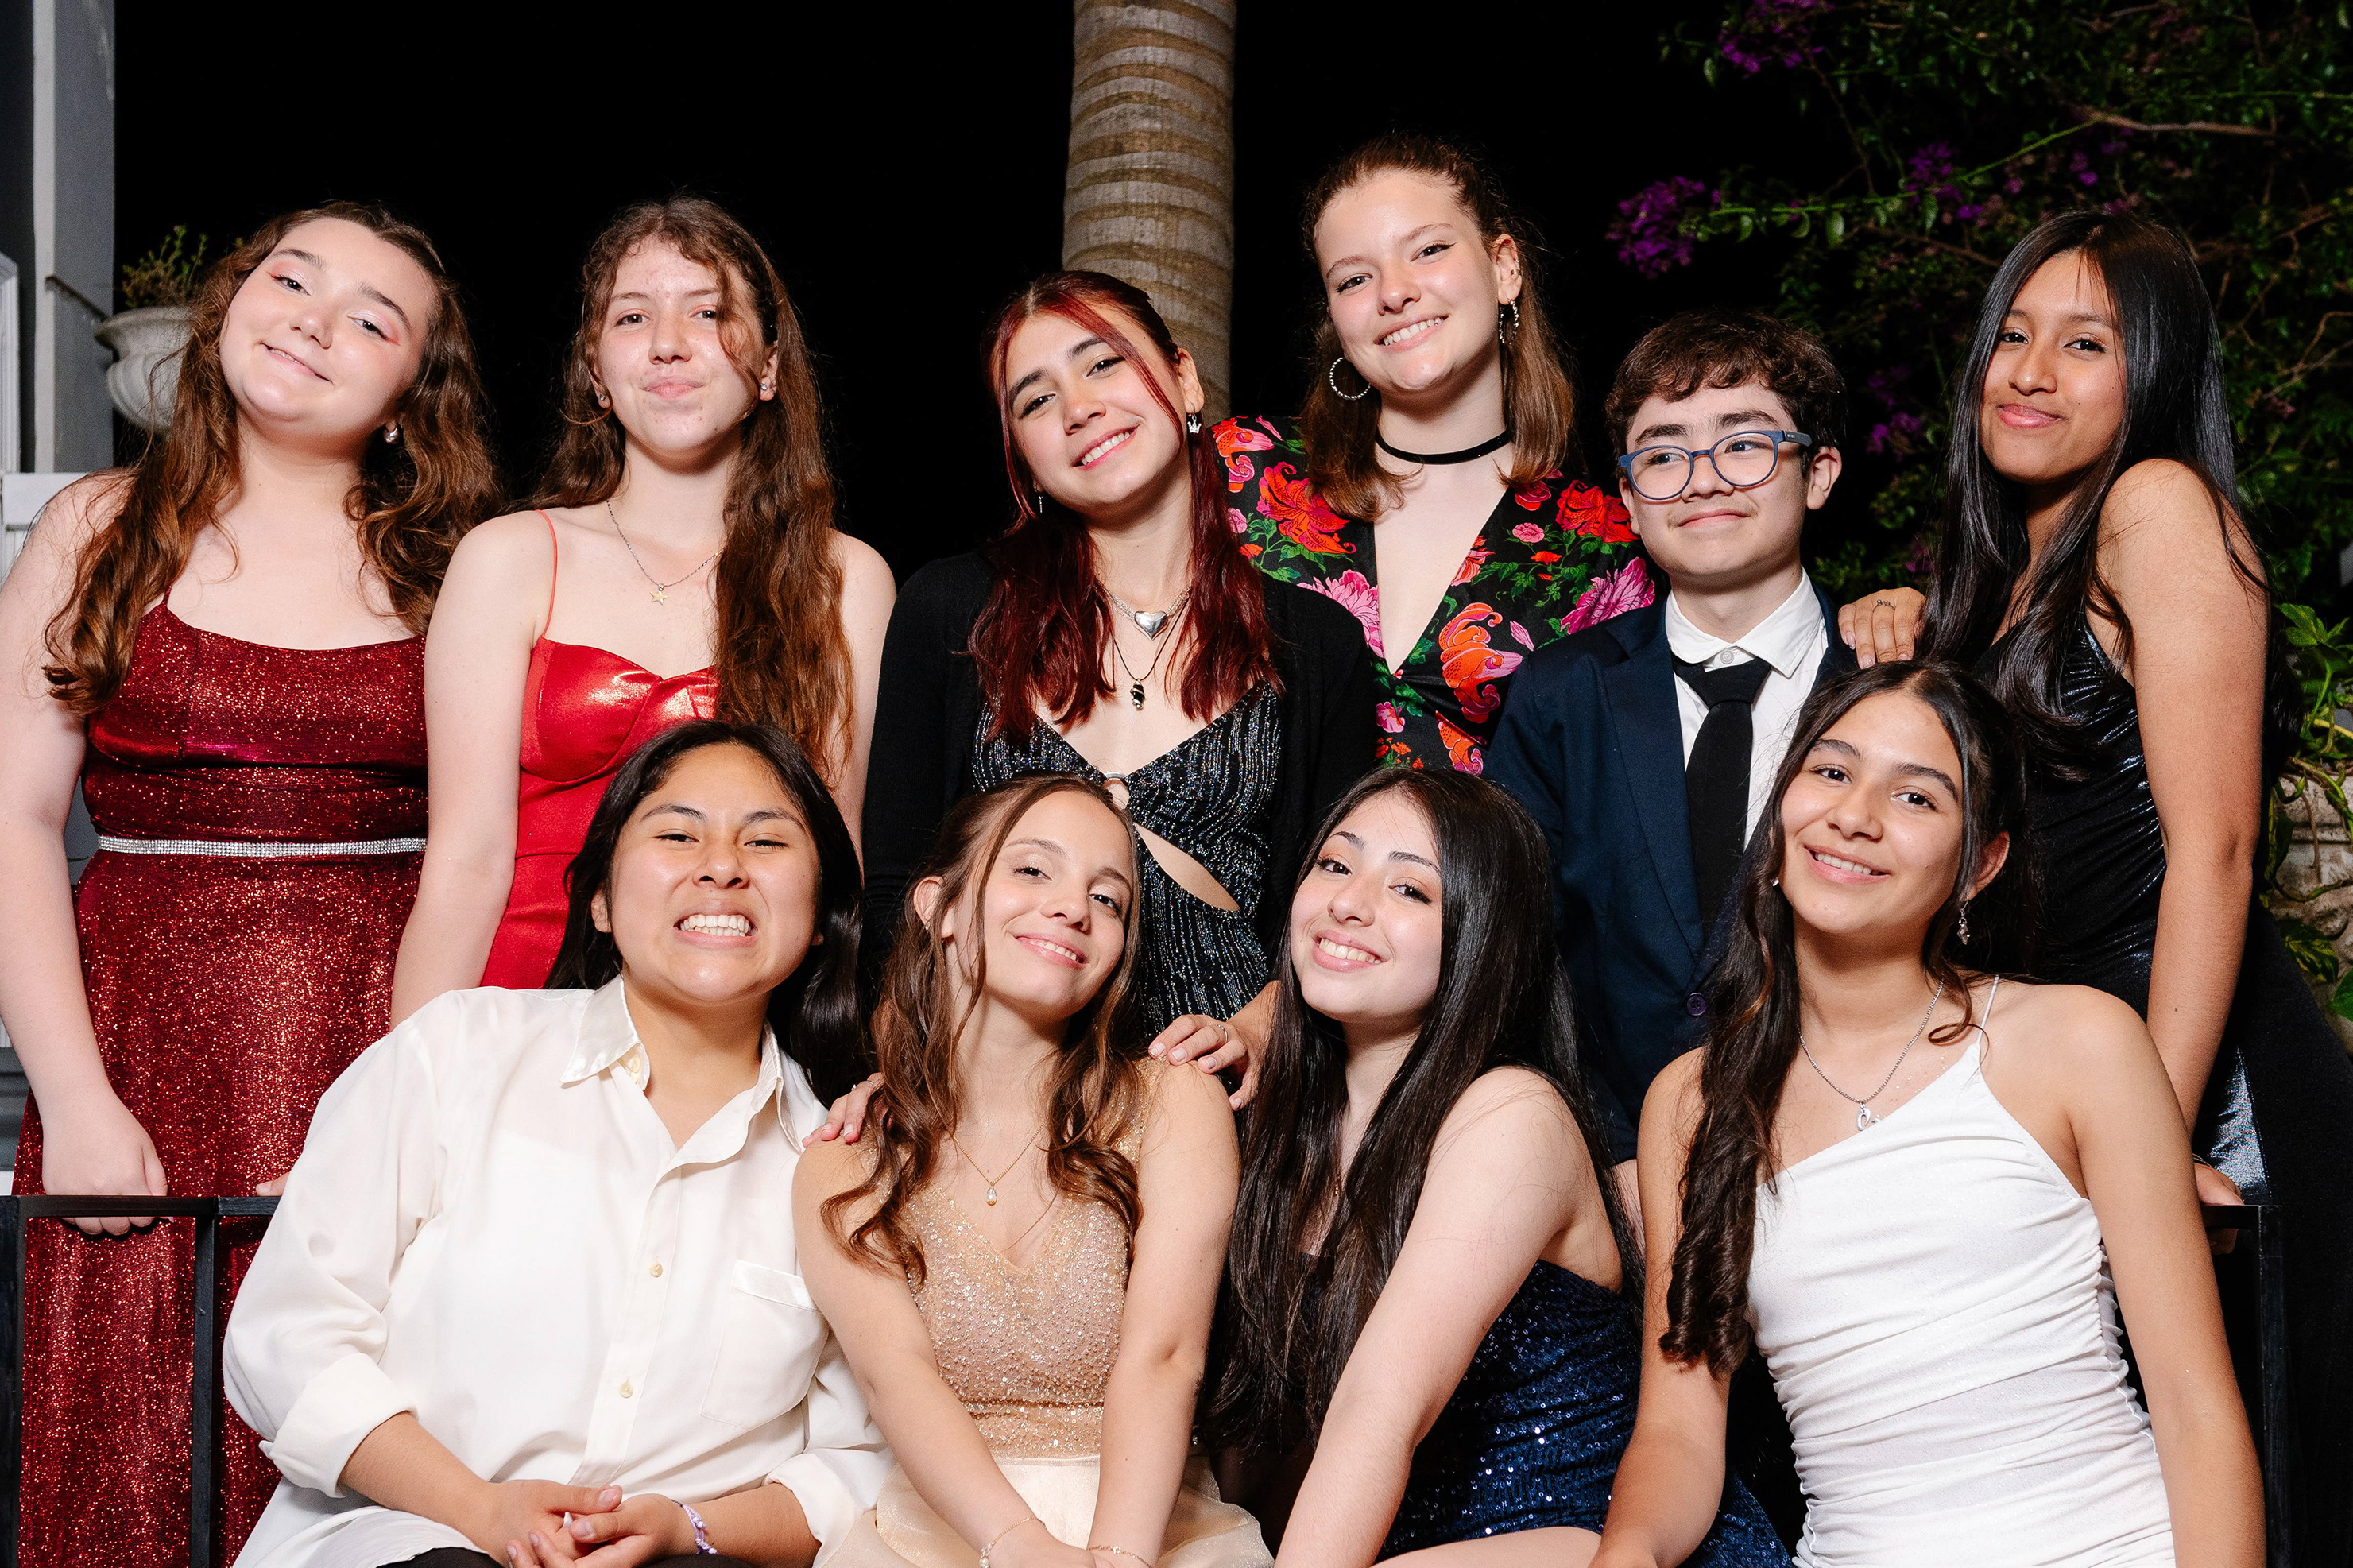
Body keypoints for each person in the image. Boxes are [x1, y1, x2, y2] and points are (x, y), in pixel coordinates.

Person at [0, 203, 501, 1568]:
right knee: (117, 1505)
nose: (316, 323)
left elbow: (482, 858)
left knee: (341, 1492)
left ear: (417, 387)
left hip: (369, 1068)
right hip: (135, 1076)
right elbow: (9, 815)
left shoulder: (458, 569)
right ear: (229, 306)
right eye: (289, 280)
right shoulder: (100, 528)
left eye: (375, 316)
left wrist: (397, 1139)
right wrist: (79, 1101)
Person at [1569, 661, 2270, 1568]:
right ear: (1782, 807)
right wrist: (1625, 1558)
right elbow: (1679, 1425)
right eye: (1830, 771)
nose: (1855, 813)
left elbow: (2199, 1413)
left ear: (1979, 861)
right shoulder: (1693, 1104)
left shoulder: (2073, 1041)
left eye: (1916, 794)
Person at [1919, 209, 2353, 1568]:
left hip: (2206, 1087)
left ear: (2155, 376)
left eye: (2086, 342)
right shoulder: (2004, 570)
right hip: (2097, 1085)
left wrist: (2139, 1126)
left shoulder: (2157, 511)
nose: (2032, 371)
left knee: (2245, 1563)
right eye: (2014, 334)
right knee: (2134, 1550)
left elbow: (2210, 852)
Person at [219, 721, 892, 1568]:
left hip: (689, 1567)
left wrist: (681, 1524)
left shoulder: (837, 1163)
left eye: (767, 842)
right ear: (597, 897)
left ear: (820, 917)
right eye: (677, 833)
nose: (722, 866)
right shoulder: (458, 1054)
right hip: (406, 1536)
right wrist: (482, 1508)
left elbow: (858, 1463)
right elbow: (288, 1335)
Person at [1174, 767, 1787, 1568]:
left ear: (1481, 938)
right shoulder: (1285, 1139)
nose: (1353, 901)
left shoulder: (1508, 1109)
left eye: (1412, 889)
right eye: (1335, 863)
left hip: (1608, 1558)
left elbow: (1382, 1408)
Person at [712, 774, 1269, 1568]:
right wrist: (1015, 1549)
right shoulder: (845, 1158)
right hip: (944, 1527)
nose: (1073, 907)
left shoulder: (1170, 1103)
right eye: (1033, 869)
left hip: (1150, 1516)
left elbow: (1164, 1354)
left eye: (1110, 897)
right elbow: (898, 1377)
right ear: (942, 906)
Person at [860, 269, 1372, 1079]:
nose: (1079, 407)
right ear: (1023, 458)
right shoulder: (950, 611)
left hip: (1229, 1101)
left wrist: (1258, 1033)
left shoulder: (1317, 644)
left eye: (1103, 363)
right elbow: (898, 891)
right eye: (1036, 400)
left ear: (1183, 379)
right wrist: (905, 1080)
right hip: (992, 1093)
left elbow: (1337, 907)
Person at [393, 196, 892, 1009]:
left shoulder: (846, 578)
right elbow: (463, 865)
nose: (668, 343)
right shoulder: (509, 558)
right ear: (597, 373)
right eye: (632, 317)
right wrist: (415, 1067)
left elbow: (836, 870)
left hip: (739, 1019)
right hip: (522, 1012)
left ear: (769, 367)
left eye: (708, 312)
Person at [1488, 310, 1867, 1185]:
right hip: (1613, 1172)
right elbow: (1512, 953)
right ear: (1629, 498)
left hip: (1852, 1161)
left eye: (1745, 445)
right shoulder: (1562, 695)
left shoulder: (1893, 683)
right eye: (1663, 456)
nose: (1703, 480)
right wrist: (1603, 1160)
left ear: (1818, 473)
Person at [1220, 134, 1654, 774]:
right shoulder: (1245, 472)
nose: (1393, 293)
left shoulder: (1603, 539)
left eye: (1428, 250)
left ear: (1504, 267)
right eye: (1354, 279)